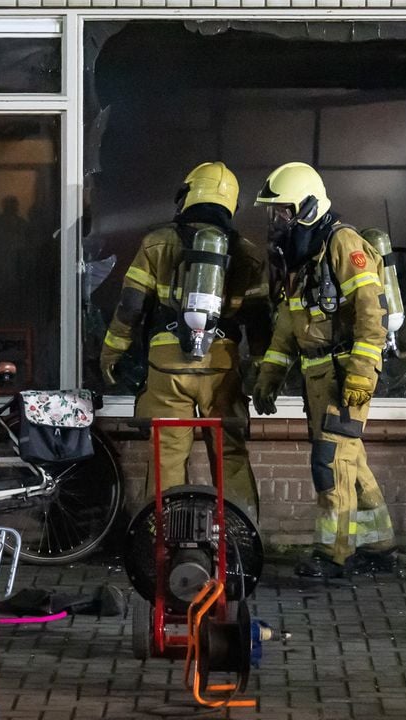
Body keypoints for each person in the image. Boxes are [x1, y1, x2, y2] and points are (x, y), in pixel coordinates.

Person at [99, 162, 271, 521]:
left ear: (187, 196)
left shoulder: (155, 242)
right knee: (230, 453)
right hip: (221, 366)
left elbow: (131, 306)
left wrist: (111, 351)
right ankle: (241, 534)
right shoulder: (249, 253)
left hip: (167, 366)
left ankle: (162, 536)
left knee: (168, 454)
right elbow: (257, 320)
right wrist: (261, 368)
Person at [250, 161, 397, 578]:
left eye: (283, 211)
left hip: (344, 374)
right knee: (351, 462)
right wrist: (270, 375)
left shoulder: (341, 243)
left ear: (308, 208)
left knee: (329, 462)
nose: (277, 221)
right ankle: (380, 545)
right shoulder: (301, 257)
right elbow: (287, 324)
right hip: (317, 377)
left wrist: (361, 374)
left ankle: (333, 554)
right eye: (274, 213)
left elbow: (372, 312)